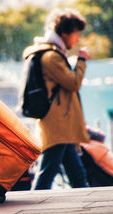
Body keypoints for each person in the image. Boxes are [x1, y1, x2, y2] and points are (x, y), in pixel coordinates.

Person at [22, 9, 90, 190]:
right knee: (47, 175)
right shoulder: (51, 57)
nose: (77, 39)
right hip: (57, 125)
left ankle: (87, 207)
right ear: (65, 33)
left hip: (62, 126)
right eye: (75, 34)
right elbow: (73, 83)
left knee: (77, 175)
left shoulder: (53, 54)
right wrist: (82, 61)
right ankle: (33, 209)